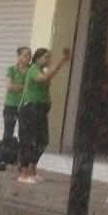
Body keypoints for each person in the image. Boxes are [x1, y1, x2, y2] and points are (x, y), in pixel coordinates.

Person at [16, 47, 72, 184]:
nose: (48, 60)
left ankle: (32, 170)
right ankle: (23, 173)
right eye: (46, 57)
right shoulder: (33, 69)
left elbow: (48, 76)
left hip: (40, 110)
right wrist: (61, 61)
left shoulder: (41, 70)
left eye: (49, 57)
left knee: (42, 140)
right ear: (38, 58)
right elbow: (44, 78)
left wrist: (62, 62)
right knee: (28, 140)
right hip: (30, 109)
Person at [0, 46, 32, 171]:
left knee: (24, 134)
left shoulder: (31, 70)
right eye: (25, 55)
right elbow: (9, 86)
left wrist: (19, 87)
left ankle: (21, 162)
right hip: (10, 105)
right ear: (19, 56)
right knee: (7, 134)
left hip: (25, 105)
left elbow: (30, 87)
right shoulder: (11, 69)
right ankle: (3, 160)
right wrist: (23, 87)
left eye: (29, 55)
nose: (28, 57)